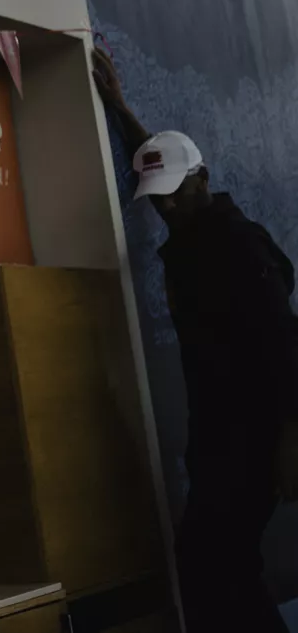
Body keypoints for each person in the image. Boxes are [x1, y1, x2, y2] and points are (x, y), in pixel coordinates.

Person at [93, 47, 298, 633]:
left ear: (203, 179)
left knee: (218, 566)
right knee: (217, 567)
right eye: (159, 195)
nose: (167, 203)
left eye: (177, 191)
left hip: (253, 440)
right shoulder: (190, 232)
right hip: (218, 441)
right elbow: (154, 165)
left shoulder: (235, 245)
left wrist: (291, 437)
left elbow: (285, 341)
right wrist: (117, 104)